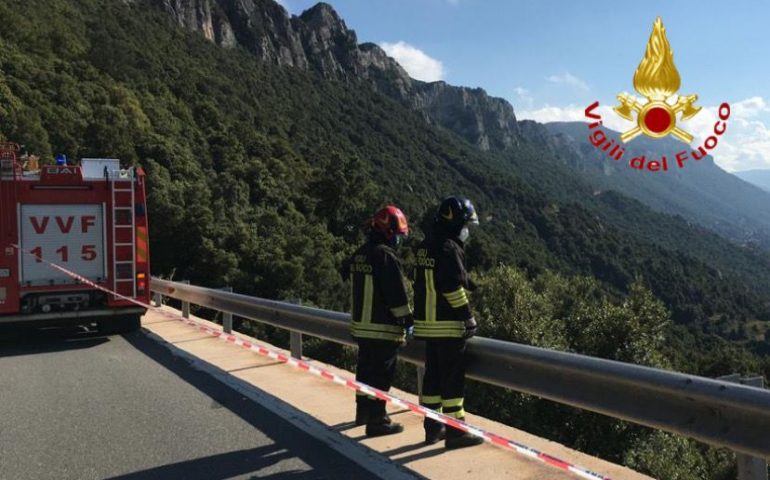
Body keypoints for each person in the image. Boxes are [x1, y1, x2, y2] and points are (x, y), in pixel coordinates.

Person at [413, 196, 483, 449]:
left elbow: (436, 279)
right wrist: (467, 316)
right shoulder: (449, 248)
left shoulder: (425, 246)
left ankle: (433, 428)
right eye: (465, 224)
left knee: (432, 379)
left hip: (427, 325)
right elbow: (452, 286)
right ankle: (457, 432)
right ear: (456, 223)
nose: (467, 230)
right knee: (452, 381)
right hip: (448, 324)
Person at [341, 205, 413, 437]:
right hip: (383, 328)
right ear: (388, 232)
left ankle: (362, 413)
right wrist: (407, 320)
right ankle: (378, 421)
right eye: (398, 237)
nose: (399, 243)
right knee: (381, 376)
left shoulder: (361, 253)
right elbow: (396, 295)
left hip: (361, 326)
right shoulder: (385, 255)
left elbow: (345, 272)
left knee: (365, 371)